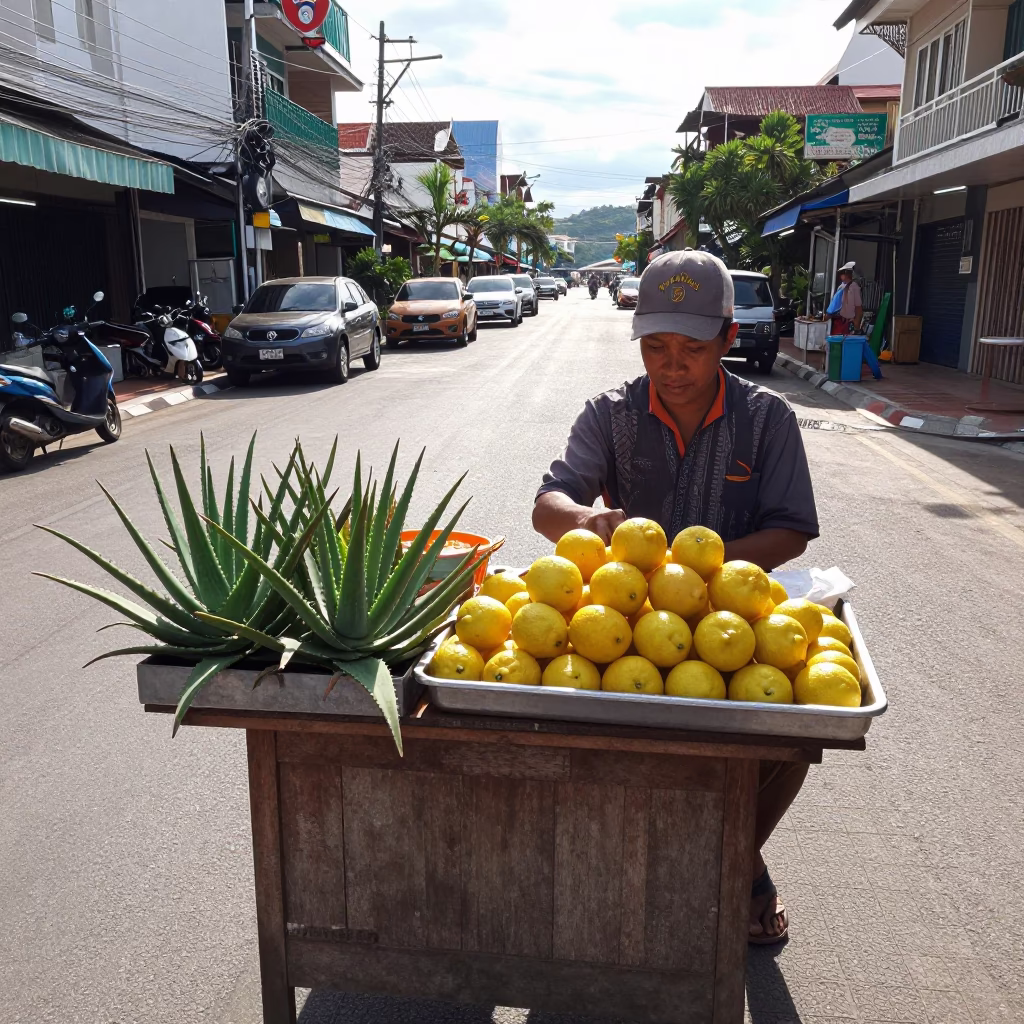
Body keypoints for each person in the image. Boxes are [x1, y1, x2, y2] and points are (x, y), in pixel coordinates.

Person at [533, 248, 819, 944]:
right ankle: (683, 863)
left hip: (737, 617)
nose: (672, 364)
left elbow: (791, 531)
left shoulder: (767, 418)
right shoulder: (610, 414)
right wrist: (584, 519)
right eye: (655, 345)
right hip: (629, 618)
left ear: (728, 336)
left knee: (792, 736)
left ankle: (738, 858)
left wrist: (706, 575)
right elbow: (550, 501)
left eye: (692, 347)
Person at [827, 261, 862, 336]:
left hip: (849, 322)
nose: (841, 276)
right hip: (840, 320)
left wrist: (856, 323)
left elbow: (858, 307)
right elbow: (835, 303)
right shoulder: (842, 287)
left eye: (842, 273)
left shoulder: (854, 287)